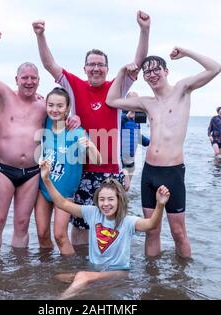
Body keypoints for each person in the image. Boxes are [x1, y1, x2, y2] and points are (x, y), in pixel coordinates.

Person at [32, 10, 150, 245]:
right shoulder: (74, 85)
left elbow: (137, 63)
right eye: (91, 65)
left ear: (107, 68)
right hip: (82, 170)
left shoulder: (116, 87)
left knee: (112, 225)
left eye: (100, 65)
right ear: (84, 68)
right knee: (81, 226)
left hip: (110, 169)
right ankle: (80, 269)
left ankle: (109, 273)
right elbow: (49, 64)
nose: (96, 68)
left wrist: (144, 29)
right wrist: (41, 35)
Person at [106, 48, 221, 258]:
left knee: (178, 232)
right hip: (150, 173)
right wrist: (123, 71)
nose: (152, 74)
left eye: (155, 69)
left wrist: (186, 52)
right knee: (152, 231)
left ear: (166, 71)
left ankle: (182, 282)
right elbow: (112, 100)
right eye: (147, 72)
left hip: (173, 173)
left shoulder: (182, 89)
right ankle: (153, 284)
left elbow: (215, 68)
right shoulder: (146, 103)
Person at [0, 27, 80, 251]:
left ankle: (21, 275)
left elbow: (62, 112)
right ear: (16, 79)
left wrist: (75, 118)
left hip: (31, 172)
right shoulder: (4, 95)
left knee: (21, 225)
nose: (29, 82)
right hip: (3, 169)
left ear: (39, 81)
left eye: (33, 78)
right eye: (25, 78)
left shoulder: (44, 105)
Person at [40, 160, 170, 299]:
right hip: (96, 269)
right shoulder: (93, 213)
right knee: (58, 277)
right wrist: (46, 179)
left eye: (110, 199)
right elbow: (62, 203)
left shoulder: (128, 222)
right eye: (102, 199)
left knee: (82, 276)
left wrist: (160, 204)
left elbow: (151, 224)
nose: (106, 204)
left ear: (119, 200)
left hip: (119, 273)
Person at [35, 87, 101, 255]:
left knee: (60, 235)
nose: (54, 110)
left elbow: (97, 160)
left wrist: (89, 147)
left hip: (65, 193)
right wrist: (36, 96)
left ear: (67, 108)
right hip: (44, 189)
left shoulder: (77, 132)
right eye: (50, 105)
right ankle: (46, 269)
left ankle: (70, 271)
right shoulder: (46, 123)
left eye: (59, 106)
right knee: (42, 234)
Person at [121, 91, 150, 190]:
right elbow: (114, 124)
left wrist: (151, 142)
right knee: (118, 189)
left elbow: (137, 136)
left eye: (136, 101)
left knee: (126, 190)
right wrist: (126, 116)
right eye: (131, 101)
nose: (134, 103)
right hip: (121, 161)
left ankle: (126, 205)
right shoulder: (120, 114)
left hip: (131, 159)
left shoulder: (136, 118)